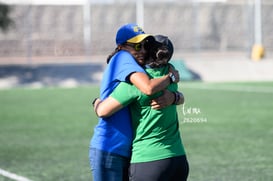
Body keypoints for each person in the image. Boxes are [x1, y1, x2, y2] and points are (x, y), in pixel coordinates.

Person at [89, 24, 180, 181]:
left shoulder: (137, 66)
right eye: (137, 45)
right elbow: (148, 88)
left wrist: (175, 97)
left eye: (144, 45)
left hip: (126, 148)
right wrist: (171, 77)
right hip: (111, 146)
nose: (142, 50)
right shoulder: (123, 57)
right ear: (121, 46)